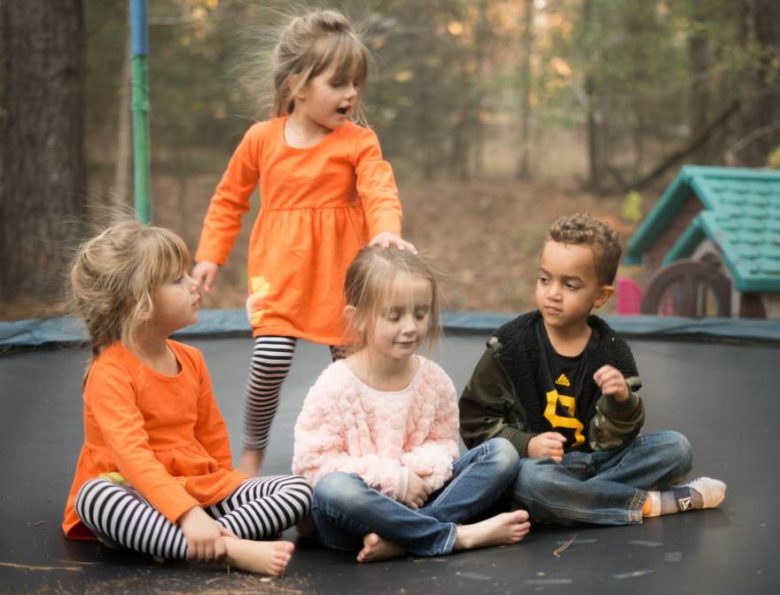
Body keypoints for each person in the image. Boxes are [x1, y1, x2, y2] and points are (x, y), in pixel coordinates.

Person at [192, 9, 415, 477]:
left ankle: (359, 459)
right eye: (338, 83)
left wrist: (386, 228)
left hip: (342, 279)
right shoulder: (261, 139)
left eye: (356, 82)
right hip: (280, 275)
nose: (351, 93)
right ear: (298, 86)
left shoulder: (359, 142)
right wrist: (210, 256)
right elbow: (229, 199)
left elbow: (379, 188)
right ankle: (252, 453)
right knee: (269, 362)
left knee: (353, 373)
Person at [62, 221, 312, 576]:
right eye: (178, 280)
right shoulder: (111, 372)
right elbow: (133, 458)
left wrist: (224, 487)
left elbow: (211, 438)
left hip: (197, 489)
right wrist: (188, 514)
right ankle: (226, 547)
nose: (194, 283)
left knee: (297, 490)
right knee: (95, 498)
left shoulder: (190, 358)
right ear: (141, 304)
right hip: (135, 493)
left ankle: (183, 542)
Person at [459, 213, 726, 526]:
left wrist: (622, 402)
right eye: (545, 279)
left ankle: (572, 501)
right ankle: (649, 504)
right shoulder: (510, 346)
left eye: (570, 285)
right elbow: (476, 423)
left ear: (600, 296)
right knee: (530, 482)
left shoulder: (612, 352)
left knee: (676, 448)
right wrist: (526, 444)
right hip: (537, 467)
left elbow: (612, 443)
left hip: (600, 463)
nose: (553, 293)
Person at [292, 246, 530, 562]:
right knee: (333, 489)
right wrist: (395, 480)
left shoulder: (433, 380)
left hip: (419, 499)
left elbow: (443, 447)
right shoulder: (336, 383)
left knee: (502, 454)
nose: (410, 327)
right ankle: (454, 536)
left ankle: (406, 539)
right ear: (358, 319)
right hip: (357, 520)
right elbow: (313, 465)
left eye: (420, 314)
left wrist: (413, 478)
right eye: (395, 316)